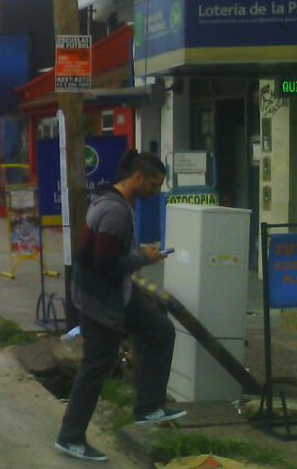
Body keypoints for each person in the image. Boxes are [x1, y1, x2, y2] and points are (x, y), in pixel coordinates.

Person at [55, 151, 181, 462]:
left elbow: (110, 251)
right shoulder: (115, 212)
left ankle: (149, 408)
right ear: (137, 178)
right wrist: (144, 258)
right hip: (102, 298)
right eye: (154, 185)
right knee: (97, 366)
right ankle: (70, 437)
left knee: (160, 330)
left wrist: (138, 252)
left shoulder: (112, 202)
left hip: (113, 292)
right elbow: (106, 263)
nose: (156, 192)